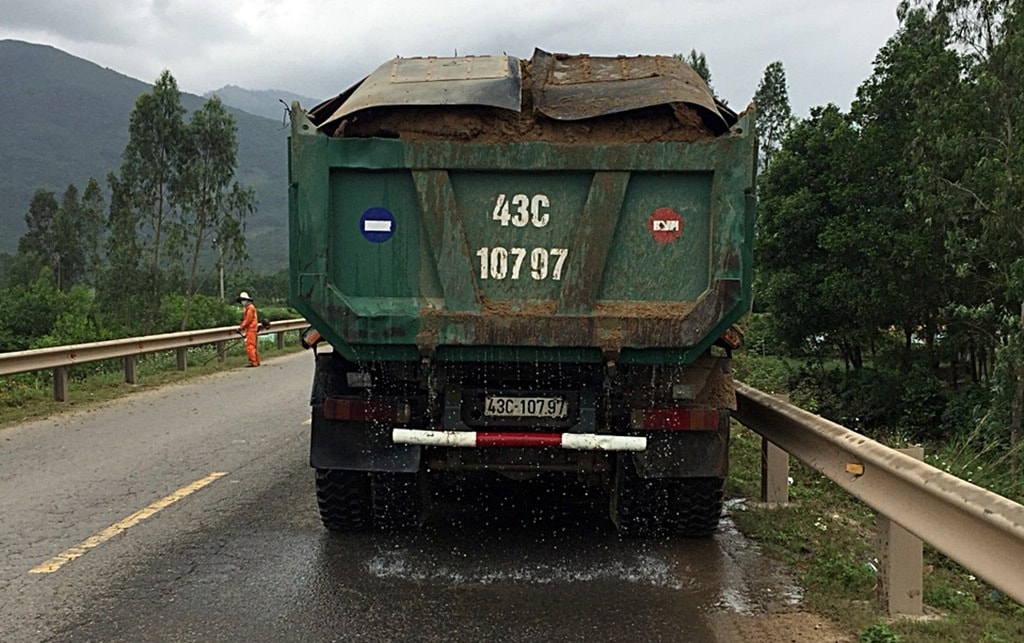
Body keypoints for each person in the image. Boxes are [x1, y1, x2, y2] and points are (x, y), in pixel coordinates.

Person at [237, 291, 260, 367]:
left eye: (243, 300)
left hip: (251, 328)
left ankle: (253, 362)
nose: (242, 302)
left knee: (250, 346)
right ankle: (256, 361)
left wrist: (241, 327)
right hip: (252, 328)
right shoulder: (249, 308)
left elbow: (248, 320)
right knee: (253, 345)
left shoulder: (250, 308)